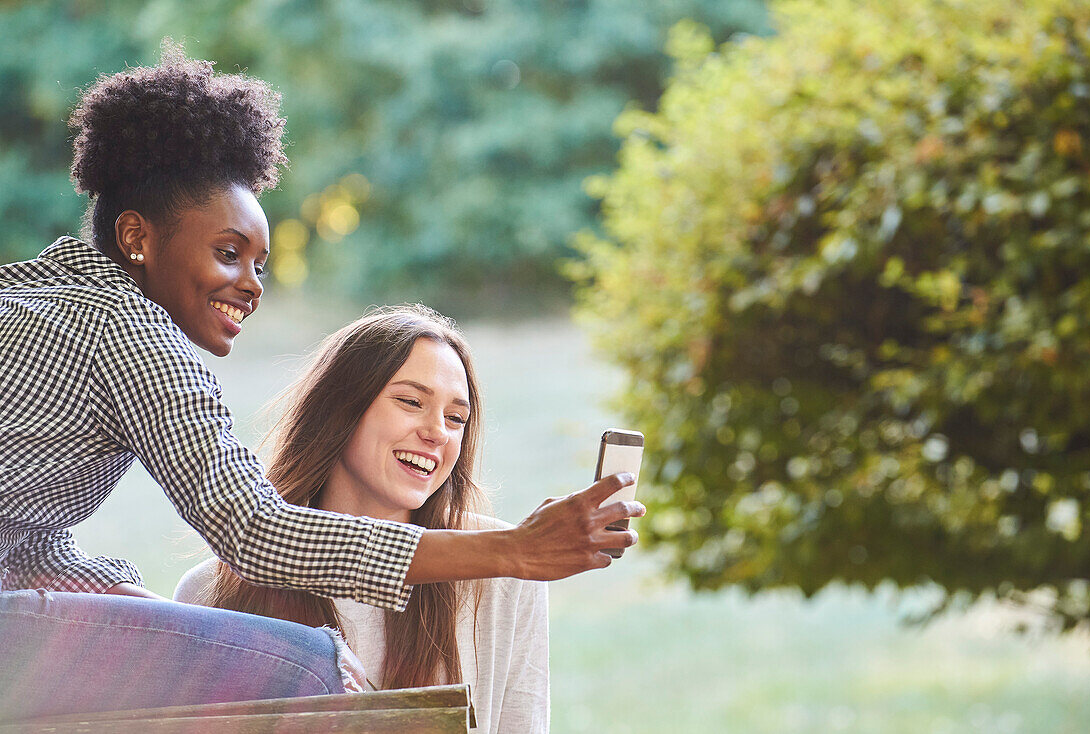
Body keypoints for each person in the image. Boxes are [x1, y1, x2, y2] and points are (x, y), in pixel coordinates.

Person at [0, 47, 641, 720]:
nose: (251, 285)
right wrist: (515, 549)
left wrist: (199, 633)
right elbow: (254, 530)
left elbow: (30, 546)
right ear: (137, 236)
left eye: (259, 264)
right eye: (227, 253)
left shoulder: (39, 296)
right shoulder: (129, 334)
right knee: (311, 663)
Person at [175, 305, 550, 733]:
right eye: (411, 402)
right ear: (341, 409)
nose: (437, 433)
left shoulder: (502, 566)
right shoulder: (210, 592)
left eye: (455, 418)